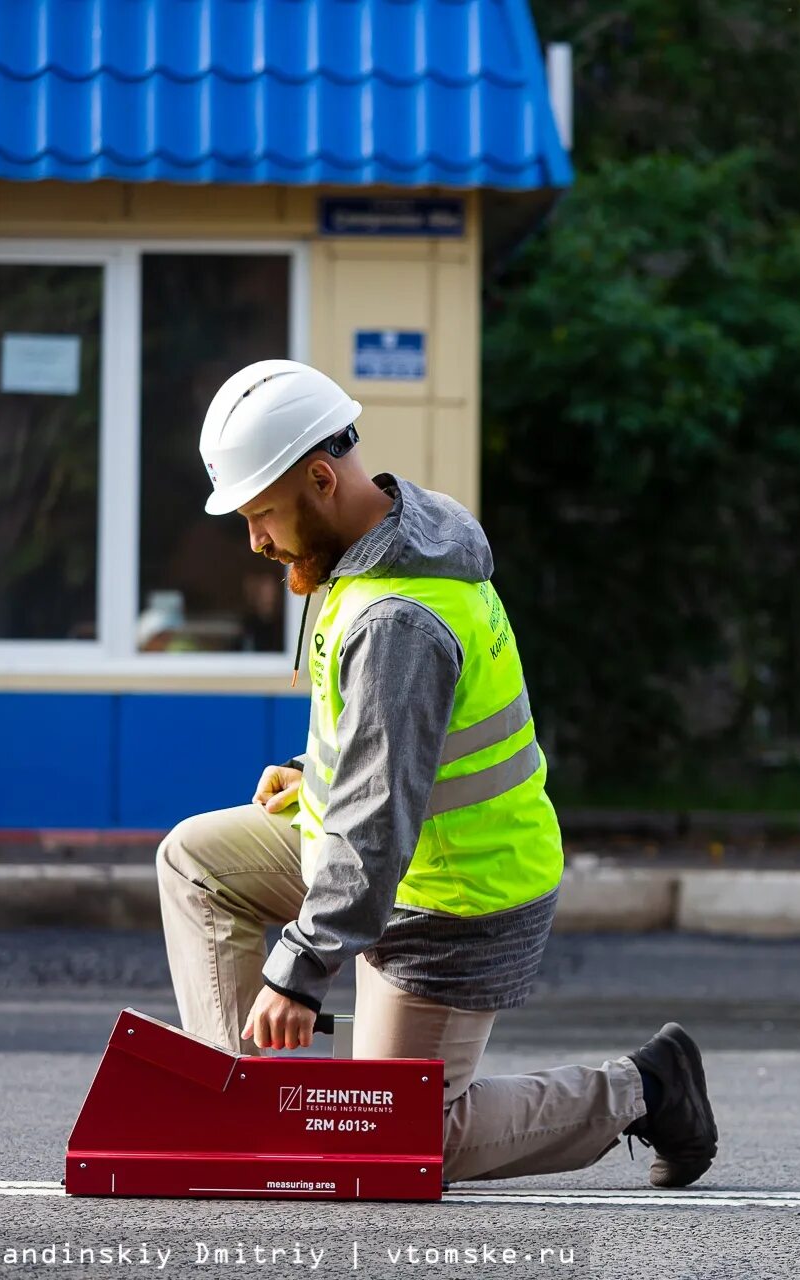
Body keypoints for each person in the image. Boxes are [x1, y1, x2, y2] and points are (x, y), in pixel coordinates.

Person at [155, 359, 717, 1189]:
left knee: (394, 1145)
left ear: (319, 478)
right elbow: (402, 737)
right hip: (398, 862)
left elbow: (379, 819)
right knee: (196, 862)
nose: (256, 542)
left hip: (458, 897)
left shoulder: (399, 617)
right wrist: (320, 770)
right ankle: (249, 1109)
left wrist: (299, 973)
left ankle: (646, 1088)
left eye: (262, 517)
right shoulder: (390, 541)